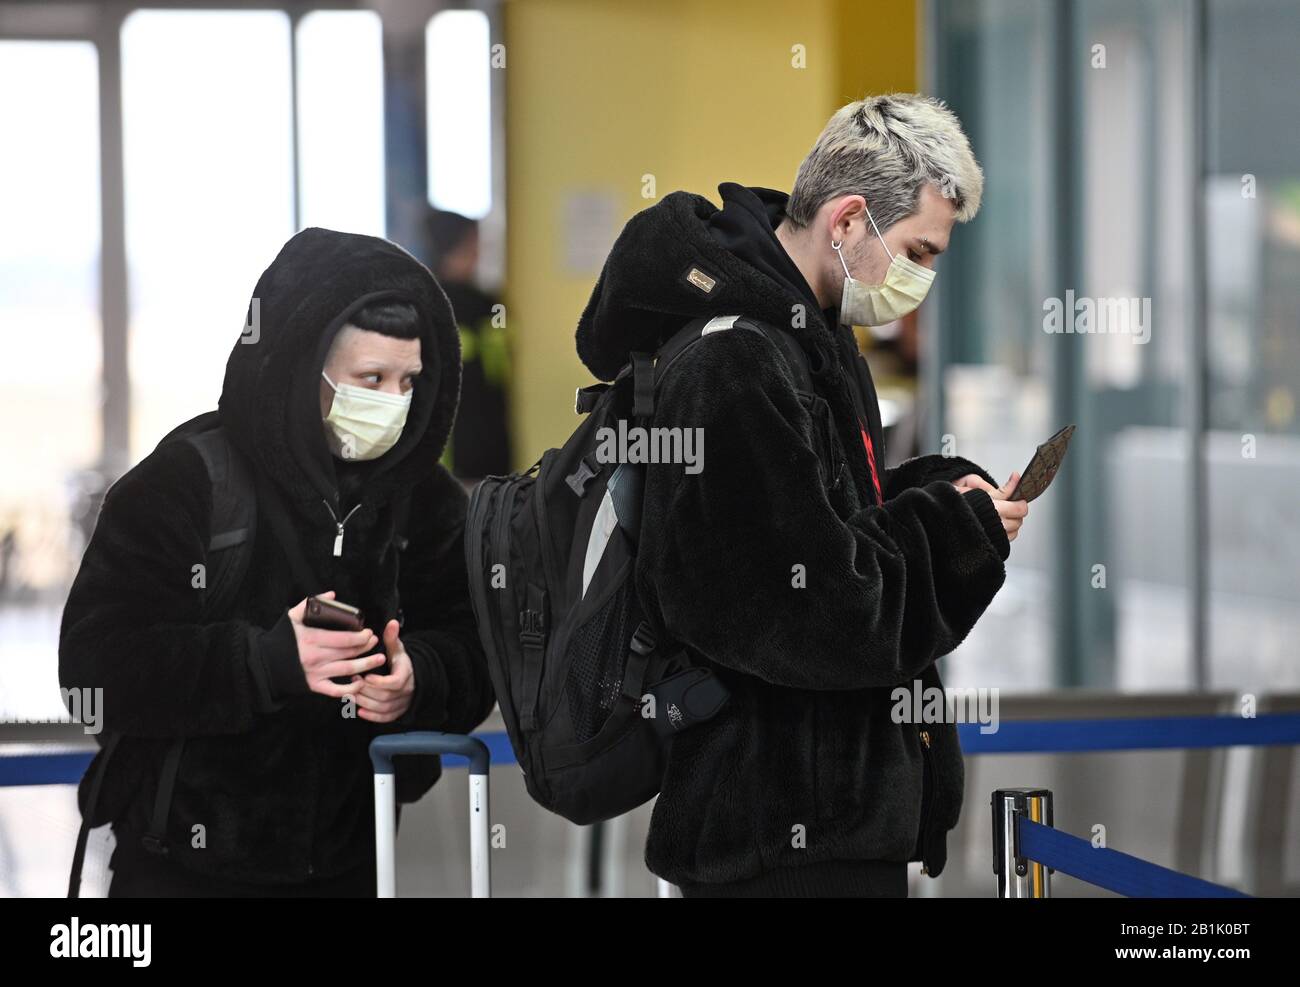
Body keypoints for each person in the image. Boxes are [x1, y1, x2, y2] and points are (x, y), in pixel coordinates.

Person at [574, 93, 1028, 897]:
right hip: (779, 844)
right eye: (920, 250)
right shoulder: (736, 363)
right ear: (848, 220)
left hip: (821, 827)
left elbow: (821, 520)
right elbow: (804, 608)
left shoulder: (805, 337)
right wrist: (953, 537)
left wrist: (936, 491)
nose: (923, 278)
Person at [60, 227, 495, 896]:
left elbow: (473, 648)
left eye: (409, 381)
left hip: (353, 864)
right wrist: (263, 662)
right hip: (178, 866)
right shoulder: (188, 482)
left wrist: (421, 677)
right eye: (370, 378)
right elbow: (94, 668)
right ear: (300, 367)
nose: (393, 403)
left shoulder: (424, 501)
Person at [425, 207, 513, 481]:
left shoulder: (486, 302)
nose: (479, 251)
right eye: (475, 242)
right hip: (462, 450)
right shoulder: (433, 302)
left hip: (479, 447)